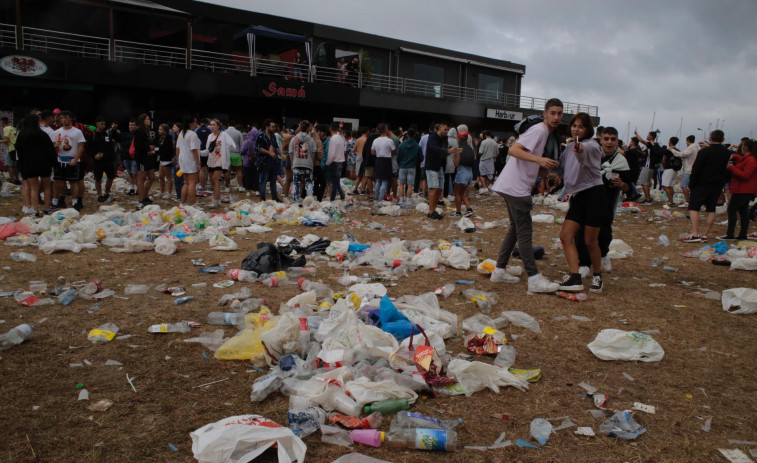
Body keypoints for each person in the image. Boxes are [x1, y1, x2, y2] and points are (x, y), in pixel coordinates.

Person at [489, 98, 562, 293]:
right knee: (524, 233)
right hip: (516, 189)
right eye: (552, 113)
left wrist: (546, 173)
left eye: (559, 114)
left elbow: (527, 164)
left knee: (514, 230)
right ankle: (534, 278)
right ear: (545, 113)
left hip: (510, 185)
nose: (556, 117)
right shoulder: (539, 130)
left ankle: (499, 271)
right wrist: (540, 160)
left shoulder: (543, 132)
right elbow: (513, 150)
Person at [555, 113, 605, 293]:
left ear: (588, 129)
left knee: (590, 241)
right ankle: (575, 276)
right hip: (578, 196)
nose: (576, 129)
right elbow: (561, 168)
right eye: (574, 125)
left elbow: (588, 151)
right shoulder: (568, 148)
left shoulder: (591, 145)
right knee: (565, 236)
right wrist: (555, 176)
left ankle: (598, 275)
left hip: (594, 194)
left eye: (581, 126)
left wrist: (580, 148)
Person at [682, 130, 731, 243]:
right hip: (717, 184)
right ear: (723, 139)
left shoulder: (704, 152)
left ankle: (695, 233)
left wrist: (691, 184)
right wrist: (723, 183)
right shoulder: (727, 153)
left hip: (701, 183)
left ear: (710, 138)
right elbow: (727, 170)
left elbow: (696, 168)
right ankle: (704, 234)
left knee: (694, 207)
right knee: (711, 208)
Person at [14, 114, 56, 216]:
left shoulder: (22, 134)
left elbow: (19, 151)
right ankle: (47, 208)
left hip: (29, 164)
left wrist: (21, 165)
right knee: (47, 187)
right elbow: (51, 150)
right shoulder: (43, 134)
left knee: (34, 188)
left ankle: (35, 210)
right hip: (44, 164)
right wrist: (54, 164)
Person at [721, 139, 756, 240]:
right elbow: (742, 161)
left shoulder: (751, 160)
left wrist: (731, 167)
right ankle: (742, 234)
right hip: (743, 189)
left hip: (743, 189)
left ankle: (731, 233)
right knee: (743, 211)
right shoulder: (748, 158)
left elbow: (745, 175)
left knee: (732, 210)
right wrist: (735, 156)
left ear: (745, 147)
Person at [52, 111, 86, 211]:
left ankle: (75, 202)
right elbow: (53, 147)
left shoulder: (77, 132)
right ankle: (59, 200)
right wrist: (56, 146)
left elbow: (81, 147)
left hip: (72, 159)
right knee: (59, 182)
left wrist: (75, 159)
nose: (64, 120)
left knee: (73, 182)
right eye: (62, 118)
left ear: (70, 118)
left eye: (66, 118)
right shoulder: (57, 132)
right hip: (61, 159)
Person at [425, 123, 457, 219]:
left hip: (440, 166)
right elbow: (434, 148)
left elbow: (443, 151)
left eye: (447, 130)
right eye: (445, 129)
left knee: (439, 189)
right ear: (439, 129)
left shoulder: (445, 138)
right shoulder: (433, 137)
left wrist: (452, 151)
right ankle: (430, 211)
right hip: (432, 165)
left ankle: (433, 210)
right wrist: (447, 151)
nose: (446, 131)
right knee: (434, 188)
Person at [206, 119, 235, 208]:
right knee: (212, 181)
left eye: (214, 125)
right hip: (211, 159)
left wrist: (225, 149)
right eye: (211, 125)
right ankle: (217, 199)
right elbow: (207, 149)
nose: (212, 126)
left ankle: (216, 201)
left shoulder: (224, 135)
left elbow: (233, 146)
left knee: (215, 179)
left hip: (220, 160)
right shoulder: (210, 136)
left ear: (218, 126)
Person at [670, 135, 700, 207]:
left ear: (688, 140)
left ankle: (688, 201)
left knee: (684, 186)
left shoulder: (691, 147)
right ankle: (694, 201)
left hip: (689, 170)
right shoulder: (698, 147)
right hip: (695, 169)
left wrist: (672, 150)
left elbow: (682, 154)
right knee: (692, 186)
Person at [91, 116, 117, 203]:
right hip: (98, 161)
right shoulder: (93, 135)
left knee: (111, 177)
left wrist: (114, 159)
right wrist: (94, 155)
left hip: (108, 160)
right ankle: (99, 195)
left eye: (104, 124)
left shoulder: (107, 134)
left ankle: (106, 193)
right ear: (97, 124)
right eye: (101, 124)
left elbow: (111, 147)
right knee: (98, 178)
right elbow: (88, 147)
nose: (103, 125)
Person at [177, 115, 201, 206]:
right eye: (195, 122)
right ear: (191, 123)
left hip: (183, 158)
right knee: (192, 183)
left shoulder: (182, 133)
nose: (196, 124)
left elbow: (177, 148)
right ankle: (192, 204)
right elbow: (194, 150)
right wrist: (198, 163)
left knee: (186, 182)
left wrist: (178, 160)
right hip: (190, 159)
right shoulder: (192, 134)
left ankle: (182, 203)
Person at [133, 113, 156, 209]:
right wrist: (148, 147)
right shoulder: (139, 131)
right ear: (143, 120)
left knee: (152, 177)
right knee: (141, 179)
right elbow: (138, 146)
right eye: (147, 119)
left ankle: (145, 195)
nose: (149, 120)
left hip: (147, 157)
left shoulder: (146, 131)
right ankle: (141, 199)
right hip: (142, 158)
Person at [255, 119, 281, 202]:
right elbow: (258, 148)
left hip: (273, 161)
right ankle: (262, 198)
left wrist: (281, 154)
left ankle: (275, 198)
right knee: (264, 180)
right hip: (264, 161)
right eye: (272, 127)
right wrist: (269, 153)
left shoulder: (273, 136)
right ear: (267, 127)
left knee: (273, 180)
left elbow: (276, 147)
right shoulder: (261, 135)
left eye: (274, 127)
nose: (274, 128)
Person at [291, 120, 316, 203]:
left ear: (300, 127)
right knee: (309, 183)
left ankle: (296, 201)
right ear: (308, 128)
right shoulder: (311, 140)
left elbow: (291, 152)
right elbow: (313, 153)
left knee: (296, 183)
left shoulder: (294, 139)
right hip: (308, 164)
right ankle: (309, 201)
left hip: (296, 164)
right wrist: (312, 164)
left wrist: (292, 163)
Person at [452, 130, 476, 217]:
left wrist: (455, 155)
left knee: (457, 193)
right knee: (463, 193)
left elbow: (456, 164)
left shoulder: (459, 149)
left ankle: (458, 212)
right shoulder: (470, 149)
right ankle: (469, 209)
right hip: (469, 172)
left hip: (462, 172)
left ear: (458, 139)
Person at [634, 130, 661, 204]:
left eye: (648, 134)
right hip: (652, 166)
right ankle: (648, 198)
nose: (647, 136)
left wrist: (636, 133)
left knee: (644, 183)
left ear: (651, 137)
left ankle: (648, 199)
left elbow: (641, 140)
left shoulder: (650, 144)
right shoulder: (656, 145)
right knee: (646, 183)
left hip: (647, 166)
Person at [372, 123, 397, 201]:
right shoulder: (389, 140)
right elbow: (394, 151)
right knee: (385, 180)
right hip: (386, 161)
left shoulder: (375, 140)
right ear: (386, 129)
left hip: (378, 160)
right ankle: (381, 198)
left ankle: (376, 196)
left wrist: (379, 153)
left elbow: (372, 152)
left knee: (378, 180)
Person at [397, 128, 420, 204]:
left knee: (401, 184)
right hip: (412, 166)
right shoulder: (417, 146)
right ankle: (408, 200)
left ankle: (400, 200)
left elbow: (398, 157)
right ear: (414, 135)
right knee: (410, 185)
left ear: (407, 135)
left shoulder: (401, 145)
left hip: (402, 166)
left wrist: (400, 163)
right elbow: (421, 157)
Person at [325, 122, 346, 201]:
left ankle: (332, 199)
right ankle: (342, 196)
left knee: (334, 183)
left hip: (335, 162)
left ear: (330, 129)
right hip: (340, 161)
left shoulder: (333, 138)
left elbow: (331, 153)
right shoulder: (340, 137)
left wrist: (328, 162)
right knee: (336, 182)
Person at [225, 122, 245, 195]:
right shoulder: (238, 133)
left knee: (227, 171)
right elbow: (242, 144)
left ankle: (227, 187)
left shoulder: (224, 132)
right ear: (235, 126)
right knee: (239, 171)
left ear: (228, 125)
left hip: (227, 154)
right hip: (237, 154)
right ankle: (240, 186)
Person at [155, 123, 174, 200]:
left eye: (160, 129)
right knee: (160, 176)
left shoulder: (168, 138)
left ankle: (169, 193)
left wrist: (157, 151)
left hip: (167, 159)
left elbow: (166, 150)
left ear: (165, 131)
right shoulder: (161, 138)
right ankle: (162, 191)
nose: (159, 131)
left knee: (168, 177)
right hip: (162, 159)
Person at [660, 137, 679, 207]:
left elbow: (661, 153)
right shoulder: (677, 150)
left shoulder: (670, 150)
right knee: (670, 186)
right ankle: (671, 200)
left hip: (669, 169)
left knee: (665, 186)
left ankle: (670, 201)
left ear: (670, 141)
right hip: (675, 170)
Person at [240, 125, 259, 196]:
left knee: (247, 177)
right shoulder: (258, 142)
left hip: (247, 162)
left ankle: (248, 191)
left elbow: (241, 151)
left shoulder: (247, 142)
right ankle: (257, 190)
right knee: (255, 177)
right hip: (256, 162)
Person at [0, 116, 19, 185]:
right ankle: (17, 179)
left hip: (11, 148)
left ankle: (12, 180)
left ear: (2, 122)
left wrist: (0, 141)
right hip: (16, 148)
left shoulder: (6, 128)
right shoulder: (13, 128)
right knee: (14, 165)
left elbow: (7, 140)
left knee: (9, 165)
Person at [122, 119, 138, 195]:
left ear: (136, 126)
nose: (130, 127)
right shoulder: (126, 134)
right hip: (126, 157)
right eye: (129, 125)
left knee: (135, 174)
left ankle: (138, 189)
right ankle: (131, 188)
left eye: (132, 125)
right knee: (130, 174)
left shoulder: (138, 135)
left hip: (134, 158)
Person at [196, 118, 212, 191]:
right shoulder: (210, 130)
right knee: (209, 169)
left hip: (200, 151)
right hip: (209, 151)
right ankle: (210, 184)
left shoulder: (197, 130)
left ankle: (202, 186)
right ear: (207, 123)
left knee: (201, 169)